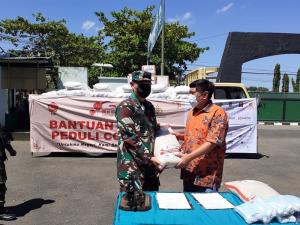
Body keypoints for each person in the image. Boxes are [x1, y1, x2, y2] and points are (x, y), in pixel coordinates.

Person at [173, 79, 228, 192]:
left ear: (204, 95)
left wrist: (187, 158)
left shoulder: (218, 113)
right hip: (189, 172)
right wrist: (178, 136)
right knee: (190, 206)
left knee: (205, 208)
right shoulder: (192, 112)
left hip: (206, 176)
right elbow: (194, 136)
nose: (190, 96)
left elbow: (212, 142)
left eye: (192, 93)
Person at [115, 70, 161, 196]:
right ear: (132, 85)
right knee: (133, 207)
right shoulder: (126, 107)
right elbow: (129, 137)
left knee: (152, 203)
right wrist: (150, 157)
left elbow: (152, 130)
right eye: (141, 83)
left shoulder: (149, 106)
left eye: (148, 84)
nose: (145, 86)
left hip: (150, 169)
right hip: (132, 168)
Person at [0, 125, 17, 221]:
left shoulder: (2, 132)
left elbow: (6, 142)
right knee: (1, 186)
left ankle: (1, 208)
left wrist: (11, 151)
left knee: (2, 185)